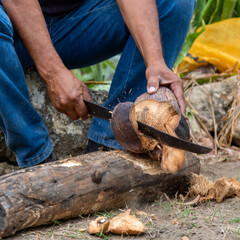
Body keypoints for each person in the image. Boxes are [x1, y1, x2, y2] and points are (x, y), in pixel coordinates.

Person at [0, 0, 195, 168]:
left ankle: (110, 144)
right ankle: (38, 160)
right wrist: (53, 72)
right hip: (10, 28)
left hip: (74, 25)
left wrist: (155, 62)